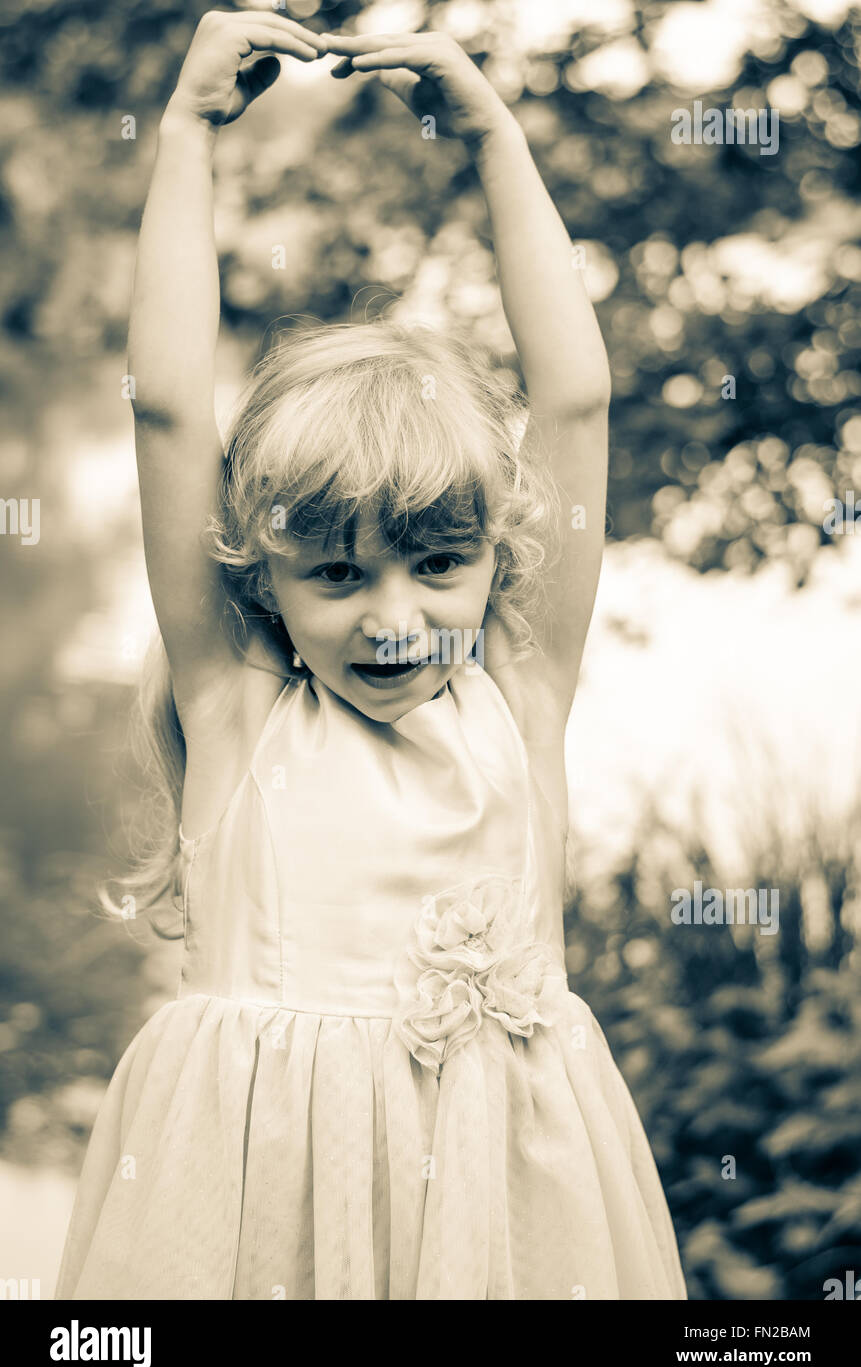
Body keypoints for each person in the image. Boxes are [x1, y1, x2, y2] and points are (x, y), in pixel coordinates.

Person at [55, 10, 687, 1300]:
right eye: (335, 574)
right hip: (253, 1205)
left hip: (510, 1212)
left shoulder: (521, 689)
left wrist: (498, 140)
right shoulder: (235, 704)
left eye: (438, 563)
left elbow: (573, 401)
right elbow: (171, 406)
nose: (394, 619)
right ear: (263, 576)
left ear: (496, 559)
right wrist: (182, 135)